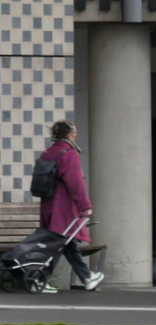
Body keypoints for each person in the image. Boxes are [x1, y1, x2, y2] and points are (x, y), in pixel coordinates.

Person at [38, 119, 104, 292]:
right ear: (69, 134)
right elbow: (75, 183)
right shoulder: (69, 153)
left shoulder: (48, 152)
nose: (76, 136)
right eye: (74, 133)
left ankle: (86, 277)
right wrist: (85, 206)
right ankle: (40, 279)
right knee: (62, 241)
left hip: (48, 204)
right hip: (63, 206)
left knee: (66, 241)